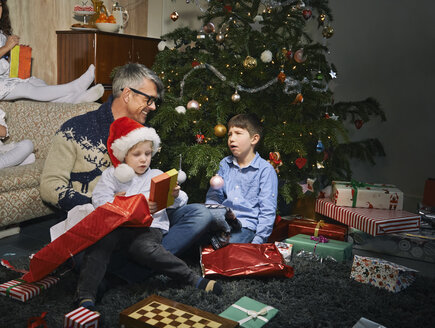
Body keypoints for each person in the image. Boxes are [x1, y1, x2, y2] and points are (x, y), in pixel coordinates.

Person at [40, 62, 213, 264]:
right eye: (148, 99)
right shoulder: (75, 129)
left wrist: (169, 194)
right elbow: (50, 185)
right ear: (128, 94)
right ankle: (149, 264)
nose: (154, 107)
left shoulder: (145, 133)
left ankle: (133, 265)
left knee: (200, 214)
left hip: (145, 224)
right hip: (100, 225)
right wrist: (105, 208)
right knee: (87, 253)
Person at [76, 117, 222, 310]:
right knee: (100, 244)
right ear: (123, 155)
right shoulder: (112, 175)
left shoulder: (156, 175)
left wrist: (175, 195)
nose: (144, 159)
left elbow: (180, 202)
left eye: (147, 153)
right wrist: (120, 200)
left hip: (149, 228)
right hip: (118, 228)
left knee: (144, 248)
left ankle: (190, 278)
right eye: (137, 154)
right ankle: (86, 294)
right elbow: (99, 199)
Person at [0, 0, 103, 103]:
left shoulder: (0, 31)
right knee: (25, 88)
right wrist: (7, 47)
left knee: (36, 82)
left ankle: (74, 99)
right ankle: (73, 87)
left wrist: (16, 54)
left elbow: (1, 60)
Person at [205, 113, 278, 244]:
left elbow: (267, 210)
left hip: (246, 227)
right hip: (223, 223)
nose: (232, 139)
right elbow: (214, 196)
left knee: (228, 249)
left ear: (254, 139)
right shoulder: (224, 164)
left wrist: (258, 241)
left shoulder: (265, 170)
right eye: (229, 134)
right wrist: (215, 216)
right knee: (199, 243)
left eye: (238, 133)